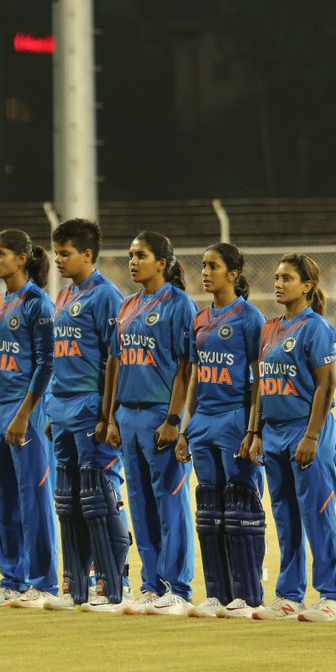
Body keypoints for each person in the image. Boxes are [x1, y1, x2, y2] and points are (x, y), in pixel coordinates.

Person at [244, 253, 336, 622]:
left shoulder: (315, 327)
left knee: (318, 513)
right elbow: (260, 387)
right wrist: (255, 432)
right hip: (273, 432)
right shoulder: (269, 328)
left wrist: (312, 435)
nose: (277, 283)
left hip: (306, 430)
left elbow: (327, 383)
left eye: (286, 278)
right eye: (275, 277)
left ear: (307, 286)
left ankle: (331, 595)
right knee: (285, 517)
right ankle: (290, 594)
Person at [106, 231, 196, 616]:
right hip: (128, 413)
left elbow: (185, 366)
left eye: (141, 255)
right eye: (130, 255)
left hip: (160, 412)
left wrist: (175, 419)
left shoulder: (180, 305)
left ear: (163, 263)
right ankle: (150, 584)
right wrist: (110, 416)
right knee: (140, 504)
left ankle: (177, 587)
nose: (132, 261)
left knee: (170, 502)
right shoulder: (126, 306)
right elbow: (115, 361)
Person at [174, 243, 266, 619]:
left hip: (233, 418)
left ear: (233, 274)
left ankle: (248, 594)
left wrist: (252, 428)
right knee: (209, 510)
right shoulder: (199, 318)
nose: (205, 272)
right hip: (203, 422)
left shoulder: (250, 318)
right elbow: (195, 376)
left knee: (240, 506)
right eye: (203, 265)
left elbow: (260, 379)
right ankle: (216, 593)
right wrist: (185, 427)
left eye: (213, 266)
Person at [44, 218, 131, 614]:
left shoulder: (106, 296)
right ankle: (76, 581)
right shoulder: (63, 296)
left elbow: (115, 358)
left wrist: (107, 414)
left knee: (100, 495)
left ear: (88, 254)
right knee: (69, 498)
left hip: (88, 406)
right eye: (56, 252)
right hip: (61, 406)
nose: (58, 260)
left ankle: (115, 581)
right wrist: (51, 406)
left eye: (65, 253)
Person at [0, 229, 59, 608]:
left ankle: (44, 583)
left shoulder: (37, 304)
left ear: (22, 259)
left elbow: (45, 364)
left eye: (1, 253)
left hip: (27, 413)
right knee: (4, 498)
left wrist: (24, 414)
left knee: (34, 500)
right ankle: (12, 579)